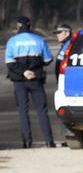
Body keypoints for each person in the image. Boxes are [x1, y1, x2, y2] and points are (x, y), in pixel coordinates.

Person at [5, 16, 56, 148]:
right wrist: (32, 69)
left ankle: (27, 141)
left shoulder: (12, 41)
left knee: (23, 110)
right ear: (30, 25)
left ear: (18, 26)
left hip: (19, 81)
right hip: (36, 79)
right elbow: (48, 59)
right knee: (42, 110)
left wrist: (23, 72)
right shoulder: (39, 40)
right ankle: (49, 141)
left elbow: (10, 62)